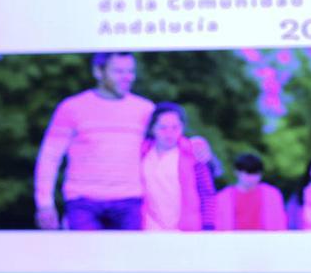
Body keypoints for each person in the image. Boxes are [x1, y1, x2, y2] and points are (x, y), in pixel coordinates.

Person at [34, 52, 154, 230]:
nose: (127, 77)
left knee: (130, 258)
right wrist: (44, 204)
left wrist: (198, 144)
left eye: (131, 71)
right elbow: (49, 157)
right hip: (83, 203)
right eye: (119, 71)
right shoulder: (71, 107)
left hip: (129, 202)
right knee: (84, 258)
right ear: (98, 72)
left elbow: (167, 151)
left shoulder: (146, 109)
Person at [141, 102, 217, 231]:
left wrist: (208, 227)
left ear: (182, 127)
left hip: (184, 231)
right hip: (148, 229)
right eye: (162, 128)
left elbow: (207, 194)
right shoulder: (141, 154)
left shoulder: (194, 154)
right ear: (152, 128)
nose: (169, 133)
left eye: (175, 127)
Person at [215, 153, 286, 230]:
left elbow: (280, 224)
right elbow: (219, 226)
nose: (251, 178)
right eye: (248, 173)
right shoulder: (223, 197)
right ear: (237, 172)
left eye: (255, 173)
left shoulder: (272, 195)